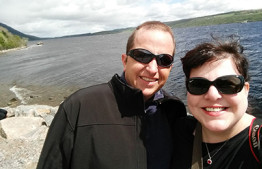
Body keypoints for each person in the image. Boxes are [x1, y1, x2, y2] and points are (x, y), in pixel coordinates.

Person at [37, 21, 186, 169]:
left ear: (170, 68)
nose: (153, 69)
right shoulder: (79, 107)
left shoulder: (173, 110)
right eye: (142, 55)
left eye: (164, 60)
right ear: (125, 61)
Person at [171, 37, 262, 169]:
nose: (212, 95)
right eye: (198, 85)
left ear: (246, 90)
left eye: (228, 84)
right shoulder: (179, 130)